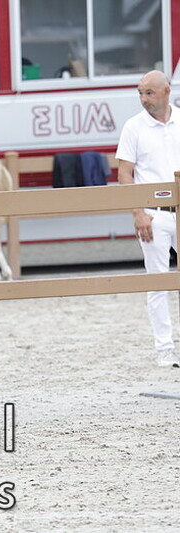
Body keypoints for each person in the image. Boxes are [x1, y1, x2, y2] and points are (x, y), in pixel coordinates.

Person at [116, 70, 180, 369]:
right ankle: (164, 348)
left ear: (166, 91)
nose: (143, 99)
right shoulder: (133, 127)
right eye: (140, 93)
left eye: (149, 93)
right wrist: (137, 212)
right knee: (157, 282)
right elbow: (125, 173)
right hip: (154, 215)